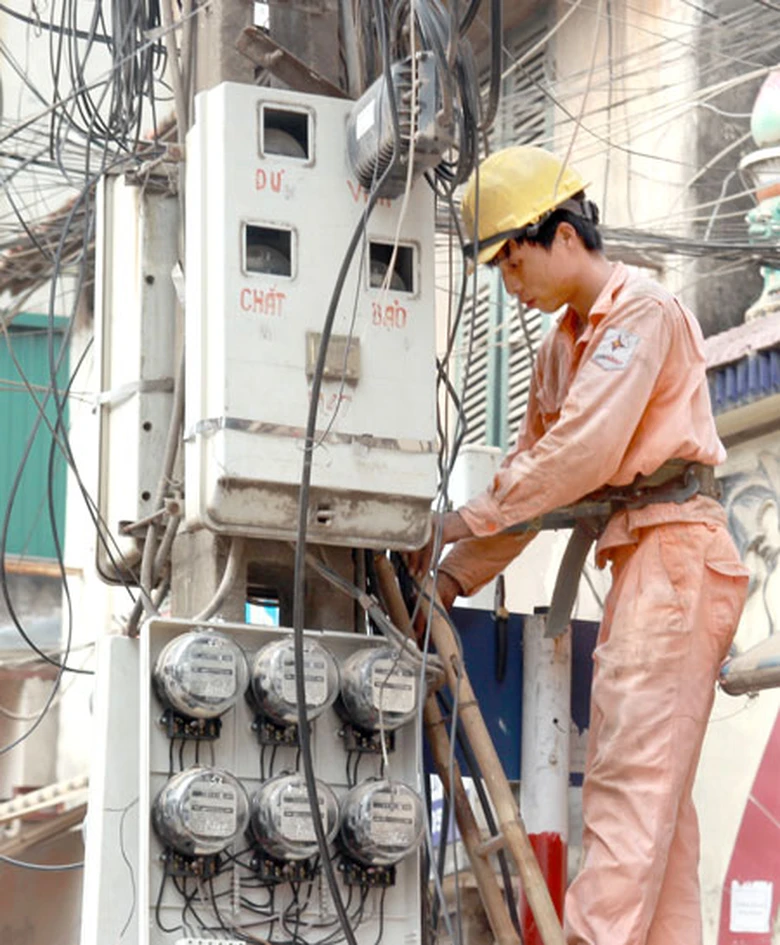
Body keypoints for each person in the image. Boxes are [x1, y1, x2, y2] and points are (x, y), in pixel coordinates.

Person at [408, 145, 749, 945]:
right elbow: (534, 479)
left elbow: (578, 458)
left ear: (562, 234)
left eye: (512, 259)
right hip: (644, 560)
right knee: (657, 816)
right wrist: (452, 577)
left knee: (629, 789)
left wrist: (455, 524)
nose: (508, 284)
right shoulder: (566, 346)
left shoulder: (644, 314)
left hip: (676, 557)